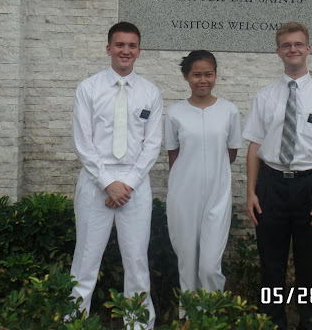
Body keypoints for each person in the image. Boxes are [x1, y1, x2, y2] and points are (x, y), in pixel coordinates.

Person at [243, 22, 312, 330]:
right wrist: (251, 193)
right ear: (278, 52)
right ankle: (272, 322)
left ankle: (311, 322)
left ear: (308, 49)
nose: (293, 49)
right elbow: (254, 147)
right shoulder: (265, 97)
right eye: (287, 45)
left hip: (311, 186)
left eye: (298, 44)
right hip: (271, 186)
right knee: (271, 263)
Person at [69, 21, 162, 330]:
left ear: (139, 51)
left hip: (135, 185)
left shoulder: (150, 92)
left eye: (132, 45)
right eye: (120, 45)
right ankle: (75, 322)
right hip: (96, 181)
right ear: (108, 48)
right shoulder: (88, 88)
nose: (126, 51)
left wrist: (127, 184)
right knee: (86, 259)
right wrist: (108, 183)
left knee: (136, 260)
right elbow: (83, 141)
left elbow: (152, 145)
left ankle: (138, 324)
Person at [164, 50, 241, 300]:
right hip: (183, 195)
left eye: (208, 74)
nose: (203, 80)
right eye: (196, 75)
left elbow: (230, 153)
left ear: (216, 75)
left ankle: (211, 313)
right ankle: (188, 314)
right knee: (187, 262)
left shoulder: (229, 111)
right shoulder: (175, 112)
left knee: (209, 266)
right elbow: (174, 155)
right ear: (186, 77)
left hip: (217, 195)